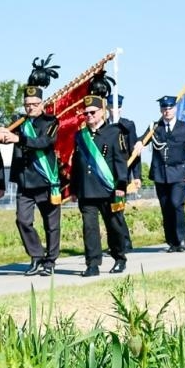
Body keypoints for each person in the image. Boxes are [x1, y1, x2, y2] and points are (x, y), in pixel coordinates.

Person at [0, 78, 63, 276]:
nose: (30, 108)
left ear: (42, 104)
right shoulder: (19, 121)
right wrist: (2, 133)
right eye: (27, 104)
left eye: (34, 104)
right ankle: (36, 255)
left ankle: (50, 260)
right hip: (24, 181)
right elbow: (7, 136)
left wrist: (18, 138)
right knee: (22, 221)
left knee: (51, 224)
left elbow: (44, 142)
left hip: (45, 181)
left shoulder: (51, 122)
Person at [70, 95, 130, 276]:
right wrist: (73, 188)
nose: (89, 116)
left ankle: (119, 257)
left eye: (93, 112)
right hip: (87, 190)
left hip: (109, 190)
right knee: (89, 228)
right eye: (86, 113)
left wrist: (121, 185)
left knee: (114, 226)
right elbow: (76, 165)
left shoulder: (114, 133)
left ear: (102, 112)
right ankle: (93, 264)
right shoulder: (80, 135)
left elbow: (120, 161)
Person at [150, 94, 185, 252]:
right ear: (161, 110)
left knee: (176, 204)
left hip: (179, 174)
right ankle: (172, 241)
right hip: (160, 174)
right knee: (166, 208)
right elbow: (141, 140)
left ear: (175, 109)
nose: (167, 111)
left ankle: (181, 239)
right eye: (164, 108)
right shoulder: (154, 128)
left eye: (170, 108)